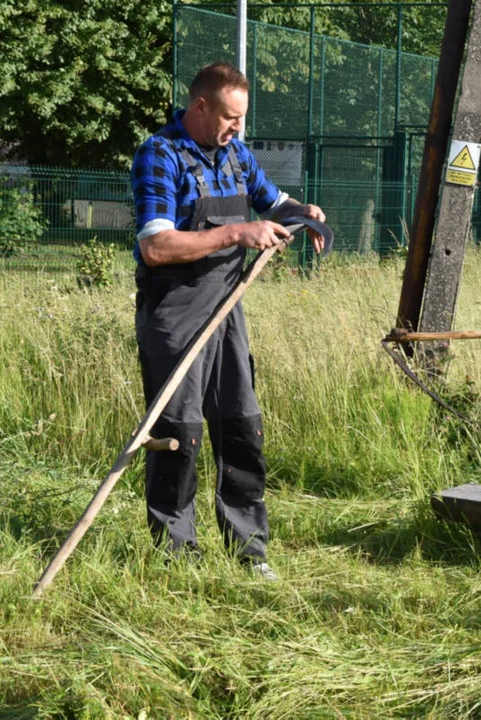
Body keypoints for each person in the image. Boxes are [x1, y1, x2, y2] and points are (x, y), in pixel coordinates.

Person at [130, 61, 326, 578]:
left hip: (226, 307)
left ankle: (249, 550)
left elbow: (274, 202)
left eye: (240, 119)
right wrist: (238, 234)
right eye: (230, 117)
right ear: (200, 107)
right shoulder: (160, 154)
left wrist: (303, 213)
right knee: (179, 431)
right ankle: (176, 555)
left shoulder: (236, 154)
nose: (237, 128)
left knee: (242, 424)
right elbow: (155, 245)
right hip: (175, 311)